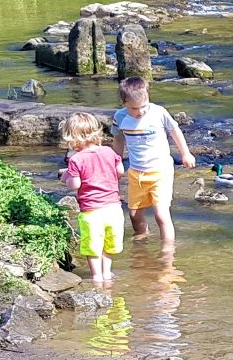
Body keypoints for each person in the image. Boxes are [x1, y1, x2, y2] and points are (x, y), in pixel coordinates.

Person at [112, 77, 196, 247]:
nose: (141, 111)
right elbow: (118, 140)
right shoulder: (120, 117)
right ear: (124, 102)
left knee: (161, 214)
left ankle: (167, 251)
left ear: (148, 97)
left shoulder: (158, 112)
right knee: (134, 214)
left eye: (144, 106)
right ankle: (141, 238)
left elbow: (175, 131)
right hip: (136, 173)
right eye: (134, 108)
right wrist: (115, 162)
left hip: (161, 171)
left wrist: (186, 153)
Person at [60, 112, 124, 285]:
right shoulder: (109, 151)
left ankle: (96, 276)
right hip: (113, 208)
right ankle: (107, 273)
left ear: (72, 139)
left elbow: (75, 185)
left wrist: (66, 177)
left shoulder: (76, 159)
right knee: (109, 243)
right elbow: (120, 172)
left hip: (91, 211)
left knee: (93, 245)